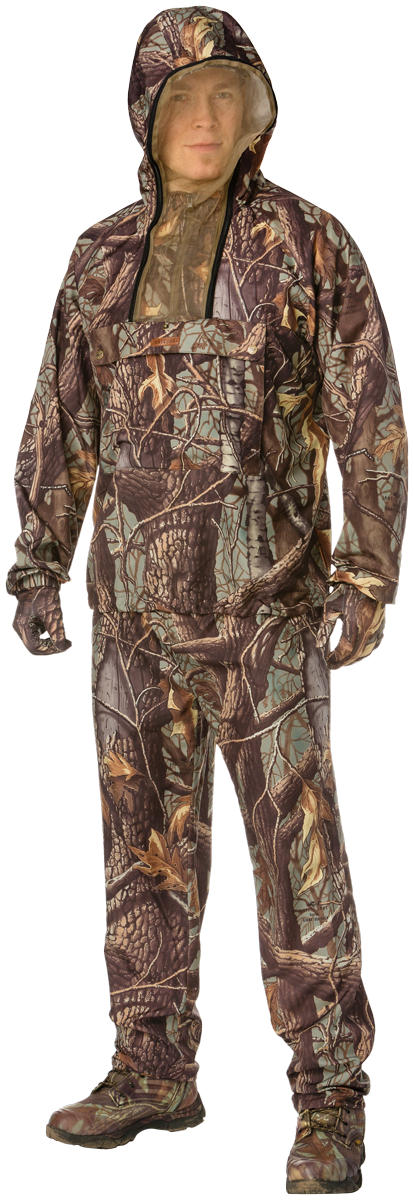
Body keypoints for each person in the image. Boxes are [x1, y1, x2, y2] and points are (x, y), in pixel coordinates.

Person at [5, 4, 408, 1189]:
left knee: (300, 860)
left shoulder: (310, 246)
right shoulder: (99, 257)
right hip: (132, 616)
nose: (207, 116)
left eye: (230, 95)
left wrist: (367, 567)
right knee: (142, 853)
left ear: (257, 115)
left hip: (269, 612)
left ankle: (329, 1096)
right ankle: (153, 1069)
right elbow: (60, 419)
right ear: (147, 112)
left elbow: (369, 417)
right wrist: (37, 559)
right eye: (184, 97)